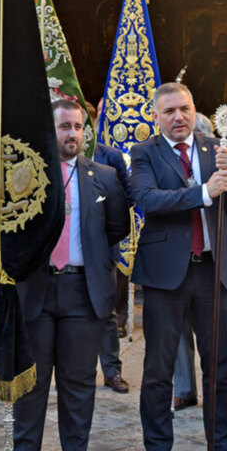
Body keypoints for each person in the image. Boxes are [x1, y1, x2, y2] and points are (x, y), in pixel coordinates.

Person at [130, 82, 227, 451]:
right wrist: (204, 192)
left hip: (214, 273)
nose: (179, 117)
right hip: (166, 277)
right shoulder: (144, 153)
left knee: (220, 369)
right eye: (169, 111)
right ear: (157, 117)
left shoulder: (215, 148)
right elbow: (149, 201)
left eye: (184, 109)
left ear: (194, 109)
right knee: (158, 370)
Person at [1, 99, 130, 451]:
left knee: (78, 382)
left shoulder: (105, 177)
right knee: (31, 382)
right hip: (36, 290)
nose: (71, 133)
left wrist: (84, 256)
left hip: (82, 292)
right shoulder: (25, 174)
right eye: (64, 127)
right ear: (49, 130)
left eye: (77, 127)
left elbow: (117, 228)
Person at [173, 111, 213, 412]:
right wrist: (201, 193)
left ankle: (215, 396)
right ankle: (185, 389)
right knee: (178, 330)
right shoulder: (160, 158)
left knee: (213, 339)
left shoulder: (217, 158)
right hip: (175, 263)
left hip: (211, 262)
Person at [93, 131, 135, 395]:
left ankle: (112, 371)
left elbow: (128, 197)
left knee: (107, 313)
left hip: (102, 246)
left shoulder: (110, 156)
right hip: (64, 251)